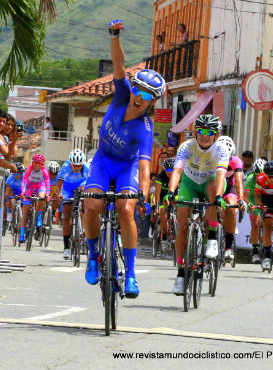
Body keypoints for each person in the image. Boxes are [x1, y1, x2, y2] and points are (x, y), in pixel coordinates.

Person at [82, 19, 166, 298]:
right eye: (138, 90)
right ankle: (93, 256)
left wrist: (143, 194)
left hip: (126, 167)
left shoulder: (144, 129)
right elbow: (119, 64)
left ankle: (130, 274)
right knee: (91, 205)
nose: (139, 98)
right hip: (103, 161)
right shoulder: (121, 96)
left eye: (148, 95)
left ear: (153, 101)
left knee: (126, 210)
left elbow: (144, 167)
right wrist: (115, 36)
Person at [164, 114, 229, 295]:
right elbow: (177, 171)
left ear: (216, 134)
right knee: (182, 227)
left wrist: (218, 196)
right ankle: (180, 274)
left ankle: (213, 238)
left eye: (209, 132)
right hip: (189, 183)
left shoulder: (221, 149)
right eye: (201, 131)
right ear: (195, 132)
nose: (204, 135)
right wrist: (171, 192)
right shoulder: (186, 146)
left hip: (210, 182)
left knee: (214, 198)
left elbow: (222, 174)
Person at [56, 150, 89, 259]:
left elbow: (91, 184)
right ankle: (66, 247)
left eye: (79, 166)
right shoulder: (65, 167)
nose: (76, 168)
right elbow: (59, 185)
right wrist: (59, 194)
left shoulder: (86, 168)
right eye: (74, 165)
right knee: (66, 216)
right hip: (67, 188)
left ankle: (84, 228)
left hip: (81, 185)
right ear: (70, 163)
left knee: (85, 197)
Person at [217, 136, 244, 261]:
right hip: (215, 186)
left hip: (230, 188)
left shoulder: (236, 161)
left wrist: (241, 198)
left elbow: (238, 181)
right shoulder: (212, 158)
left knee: (232, 208)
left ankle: (228, 247)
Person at [19, 154, 50, 243]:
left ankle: (39, 216)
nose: (37, 165)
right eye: (35, 162)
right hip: (29, 187)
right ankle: (22, 234)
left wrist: (47, 194)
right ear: (32, 163)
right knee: (25, 212)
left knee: (41, 197)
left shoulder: (44, 171)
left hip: (39, 186)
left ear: (42, 165)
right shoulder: (29, 169)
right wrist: (23, 192)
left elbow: (47, 183)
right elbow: (24, 181)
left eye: (39, 163)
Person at [245, 158, 266, 263]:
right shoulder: (250, 178)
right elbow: (245, 196)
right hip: (253, 200)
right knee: (256, 223)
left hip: (264, 199)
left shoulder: (268, 178)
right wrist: (250, 205)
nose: (260, 178)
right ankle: (255, 251)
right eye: (258, 176)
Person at [154, 158, 177, 250]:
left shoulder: (177, 175)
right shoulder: (161, 176)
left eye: (172, 170)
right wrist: (157, 205)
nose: (170, 172)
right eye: (168, 170)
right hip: (162, 194)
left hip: (174, 193)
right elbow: (157, 192)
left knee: (178, 203)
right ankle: (164, 237)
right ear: (165, 169)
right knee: (164, 216)